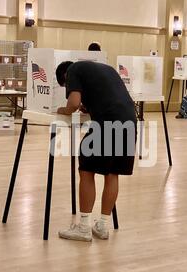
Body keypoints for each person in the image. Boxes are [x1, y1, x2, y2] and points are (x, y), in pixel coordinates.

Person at [55, 60, 137, 242]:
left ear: (65, 77)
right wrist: (90, 105)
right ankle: (102, 225)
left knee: (86, 170)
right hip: (129, 118)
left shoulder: (73, 70)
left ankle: (84, 227)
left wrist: (63, 109)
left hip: (108, 121)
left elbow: (73, 103)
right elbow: (108, 95)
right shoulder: (104, 68)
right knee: (112, 173)